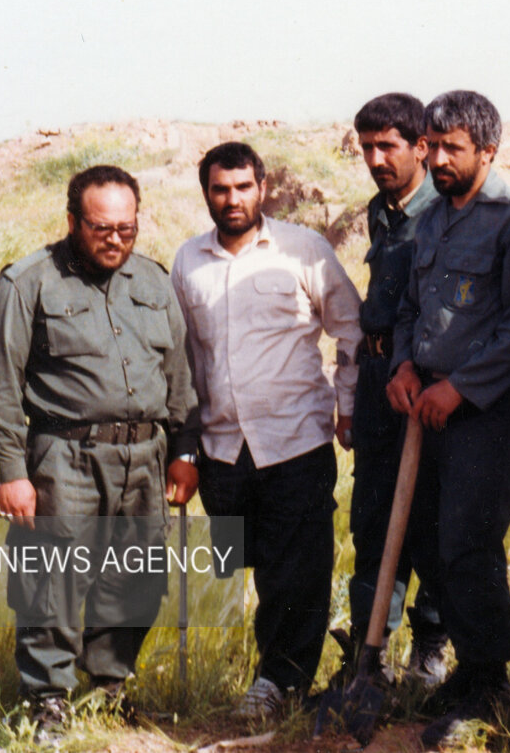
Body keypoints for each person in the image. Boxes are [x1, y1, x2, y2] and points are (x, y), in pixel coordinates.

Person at [0, 164, 197, 734]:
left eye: (127, 228)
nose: (115, 240)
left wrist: (185, 450)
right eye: (102, 228)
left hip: (145, 458)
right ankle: (48, 700)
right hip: (64, 457)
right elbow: (1, 385)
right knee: (52, 581)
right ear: (73, 221)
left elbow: (179, 374)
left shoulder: (155, 282)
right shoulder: (28, 282)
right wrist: (12, 472)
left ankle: (107, 690)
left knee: (136, 577)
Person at [385, 90, 510, 748]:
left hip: (485, 413)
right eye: (431, 146)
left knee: (468, 542)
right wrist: (405, 364)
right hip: (424, 408)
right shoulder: (432, 219)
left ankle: (489, 682)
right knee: (430, 544)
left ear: (488, 150)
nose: (437, 159)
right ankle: (466, 670)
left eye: (452, 148)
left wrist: (460, 389)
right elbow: (410, 307)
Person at [171, 141, 362, 720]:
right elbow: (182, 359)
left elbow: (351, 327)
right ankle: (262, 669)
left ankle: (281, 683)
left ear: (262, 188)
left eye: (243, 187)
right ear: (207, 194)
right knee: (238, 567)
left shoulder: (303, 249)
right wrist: (186, 448)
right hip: (223, 451)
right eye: (220, 189)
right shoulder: (188, 261)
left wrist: (349, 405)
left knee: (295, 569)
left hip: (295, 441)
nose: (232, 199)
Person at [343, 92, 448, 684]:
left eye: (387, 146)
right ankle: (368, 651)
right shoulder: (380, 211)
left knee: (431, 518)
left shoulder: (444, 211)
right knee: (372, 516)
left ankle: (429, 649)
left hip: (427, 380)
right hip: (377, 377)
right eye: (366, 147)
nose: (376, 159)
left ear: (421, 147)